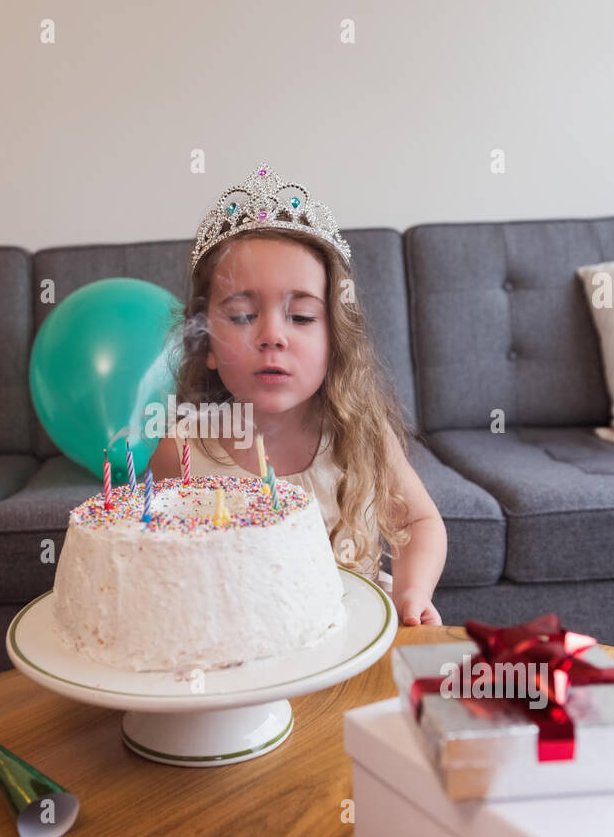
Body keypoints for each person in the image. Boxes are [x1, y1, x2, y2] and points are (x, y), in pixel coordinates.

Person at [149, 163, 447, 627]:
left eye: (302, 317)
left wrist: (411, 594)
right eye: (244, 316)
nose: (272, 336)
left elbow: (418, 523)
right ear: (206, 342)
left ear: (336, 339)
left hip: (352, 639)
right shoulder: (182, 452)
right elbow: (150, 563)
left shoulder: (361, 437)